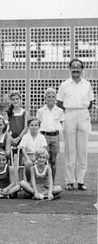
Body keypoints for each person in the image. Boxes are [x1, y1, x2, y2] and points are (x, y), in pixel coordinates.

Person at [57, 58, 95, 191]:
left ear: (82, 69)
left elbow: (90, 102)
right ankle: (69, 180)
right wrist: (70, 111)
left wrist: (81, 111)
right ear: (70, 68)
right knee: (69, 149)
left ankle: (80, 181)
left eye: (78, 67)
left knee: (82, 150)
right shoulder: (64, 84)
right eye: (73, 67)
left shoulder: (87, 84)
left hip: (83, 114)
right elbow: (60, 102)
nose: (76, 69)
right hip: (69, 114)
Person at [36, 87, 64, 183]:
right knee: (44, 159)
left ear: (55, 98)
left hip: (55, 137)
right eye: (49, 96)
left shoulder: (59, 111)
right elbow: (38, 124)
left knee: (53, 160)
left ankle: (52, 182)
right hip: (44, 136)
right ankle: (44, 181)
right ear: (45, 98)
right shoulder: (41, 111)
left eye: (53, 96)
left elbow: (60, 123)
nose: (51, 98)